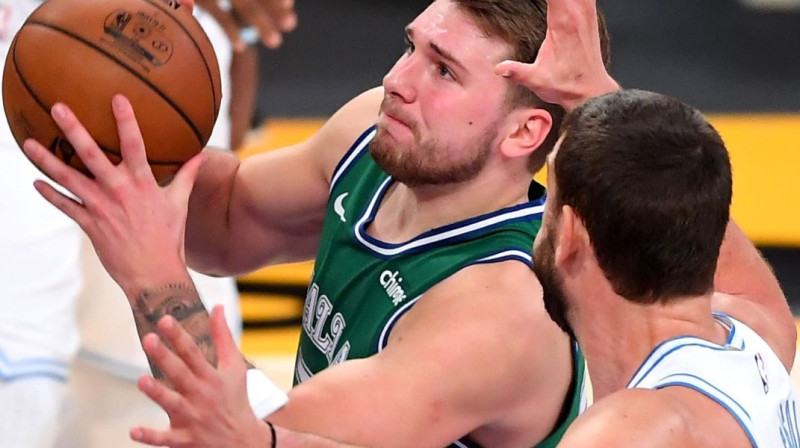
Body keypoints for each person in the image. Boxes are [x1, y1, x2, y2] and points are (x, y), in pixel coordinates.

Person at [21, 0, 615, 447]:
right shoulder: (384, 137)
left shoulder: (502, 311)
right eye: (411, 48)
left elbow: (243, 435)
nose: (397, 81)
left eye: (443, 72)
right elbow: (231, 218)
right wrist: (116, 115)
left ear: (524, 133)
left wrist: (152, 277)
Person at [531, 88, 798, 447]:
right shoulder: (758, 340)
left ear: (569, 232)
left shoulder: (626, 435)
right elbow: (688, 204)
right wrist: (591, 90)